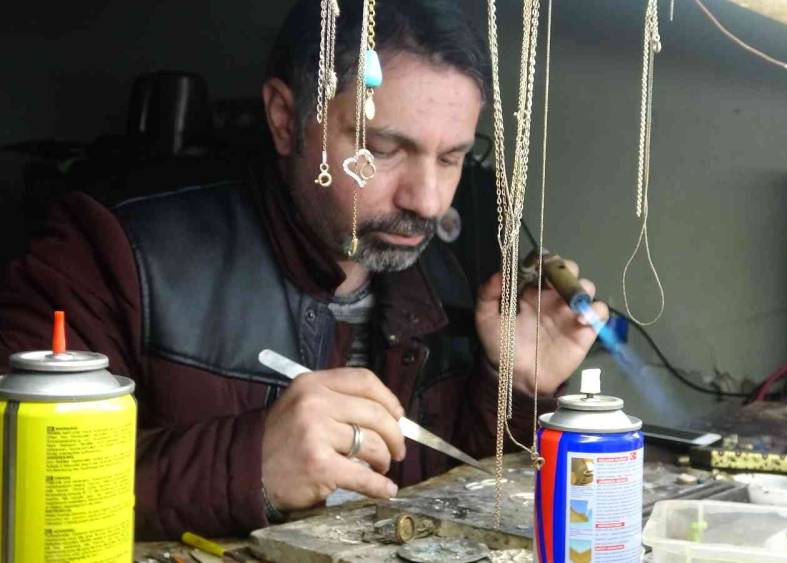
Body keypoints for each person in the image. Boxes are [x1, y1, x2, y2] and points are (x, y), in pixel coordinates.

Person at [0, 0, 608, 540]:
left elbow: (449, 504)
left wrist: (515, 388)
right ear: (285, 119)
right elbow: (19, 480)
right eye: (383, 148)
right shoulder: (113, 251)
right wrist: (248, 464)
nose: (427, 202)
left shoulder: (444, 282)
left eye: (452, 157)